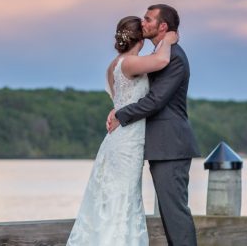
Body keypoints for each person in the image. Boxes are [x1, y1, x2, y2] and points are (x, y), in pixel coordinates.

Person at [67, 13, 178, 246]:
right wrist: (168, 40)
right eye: (144, 26)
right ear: (140, 37)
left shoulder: (113, 65)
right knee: (122, 198)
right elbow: (161, 61)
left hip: (117, 138)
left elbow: (121, 101)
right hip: (127, 140)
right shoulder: (129, 62)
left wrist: (116, 111)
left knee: (111, 198)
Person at [106, 4, 201, 246]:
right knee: (169, 216)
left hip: (172, 146)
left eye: (148, 19)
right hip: (159, 146)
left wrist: (121, 114)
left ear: (163, 26)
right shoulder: (159, 55)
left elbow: (156, 100)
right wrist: (119, 107)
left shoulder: (175, 58)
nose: (143, 23)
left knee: (175, 214)